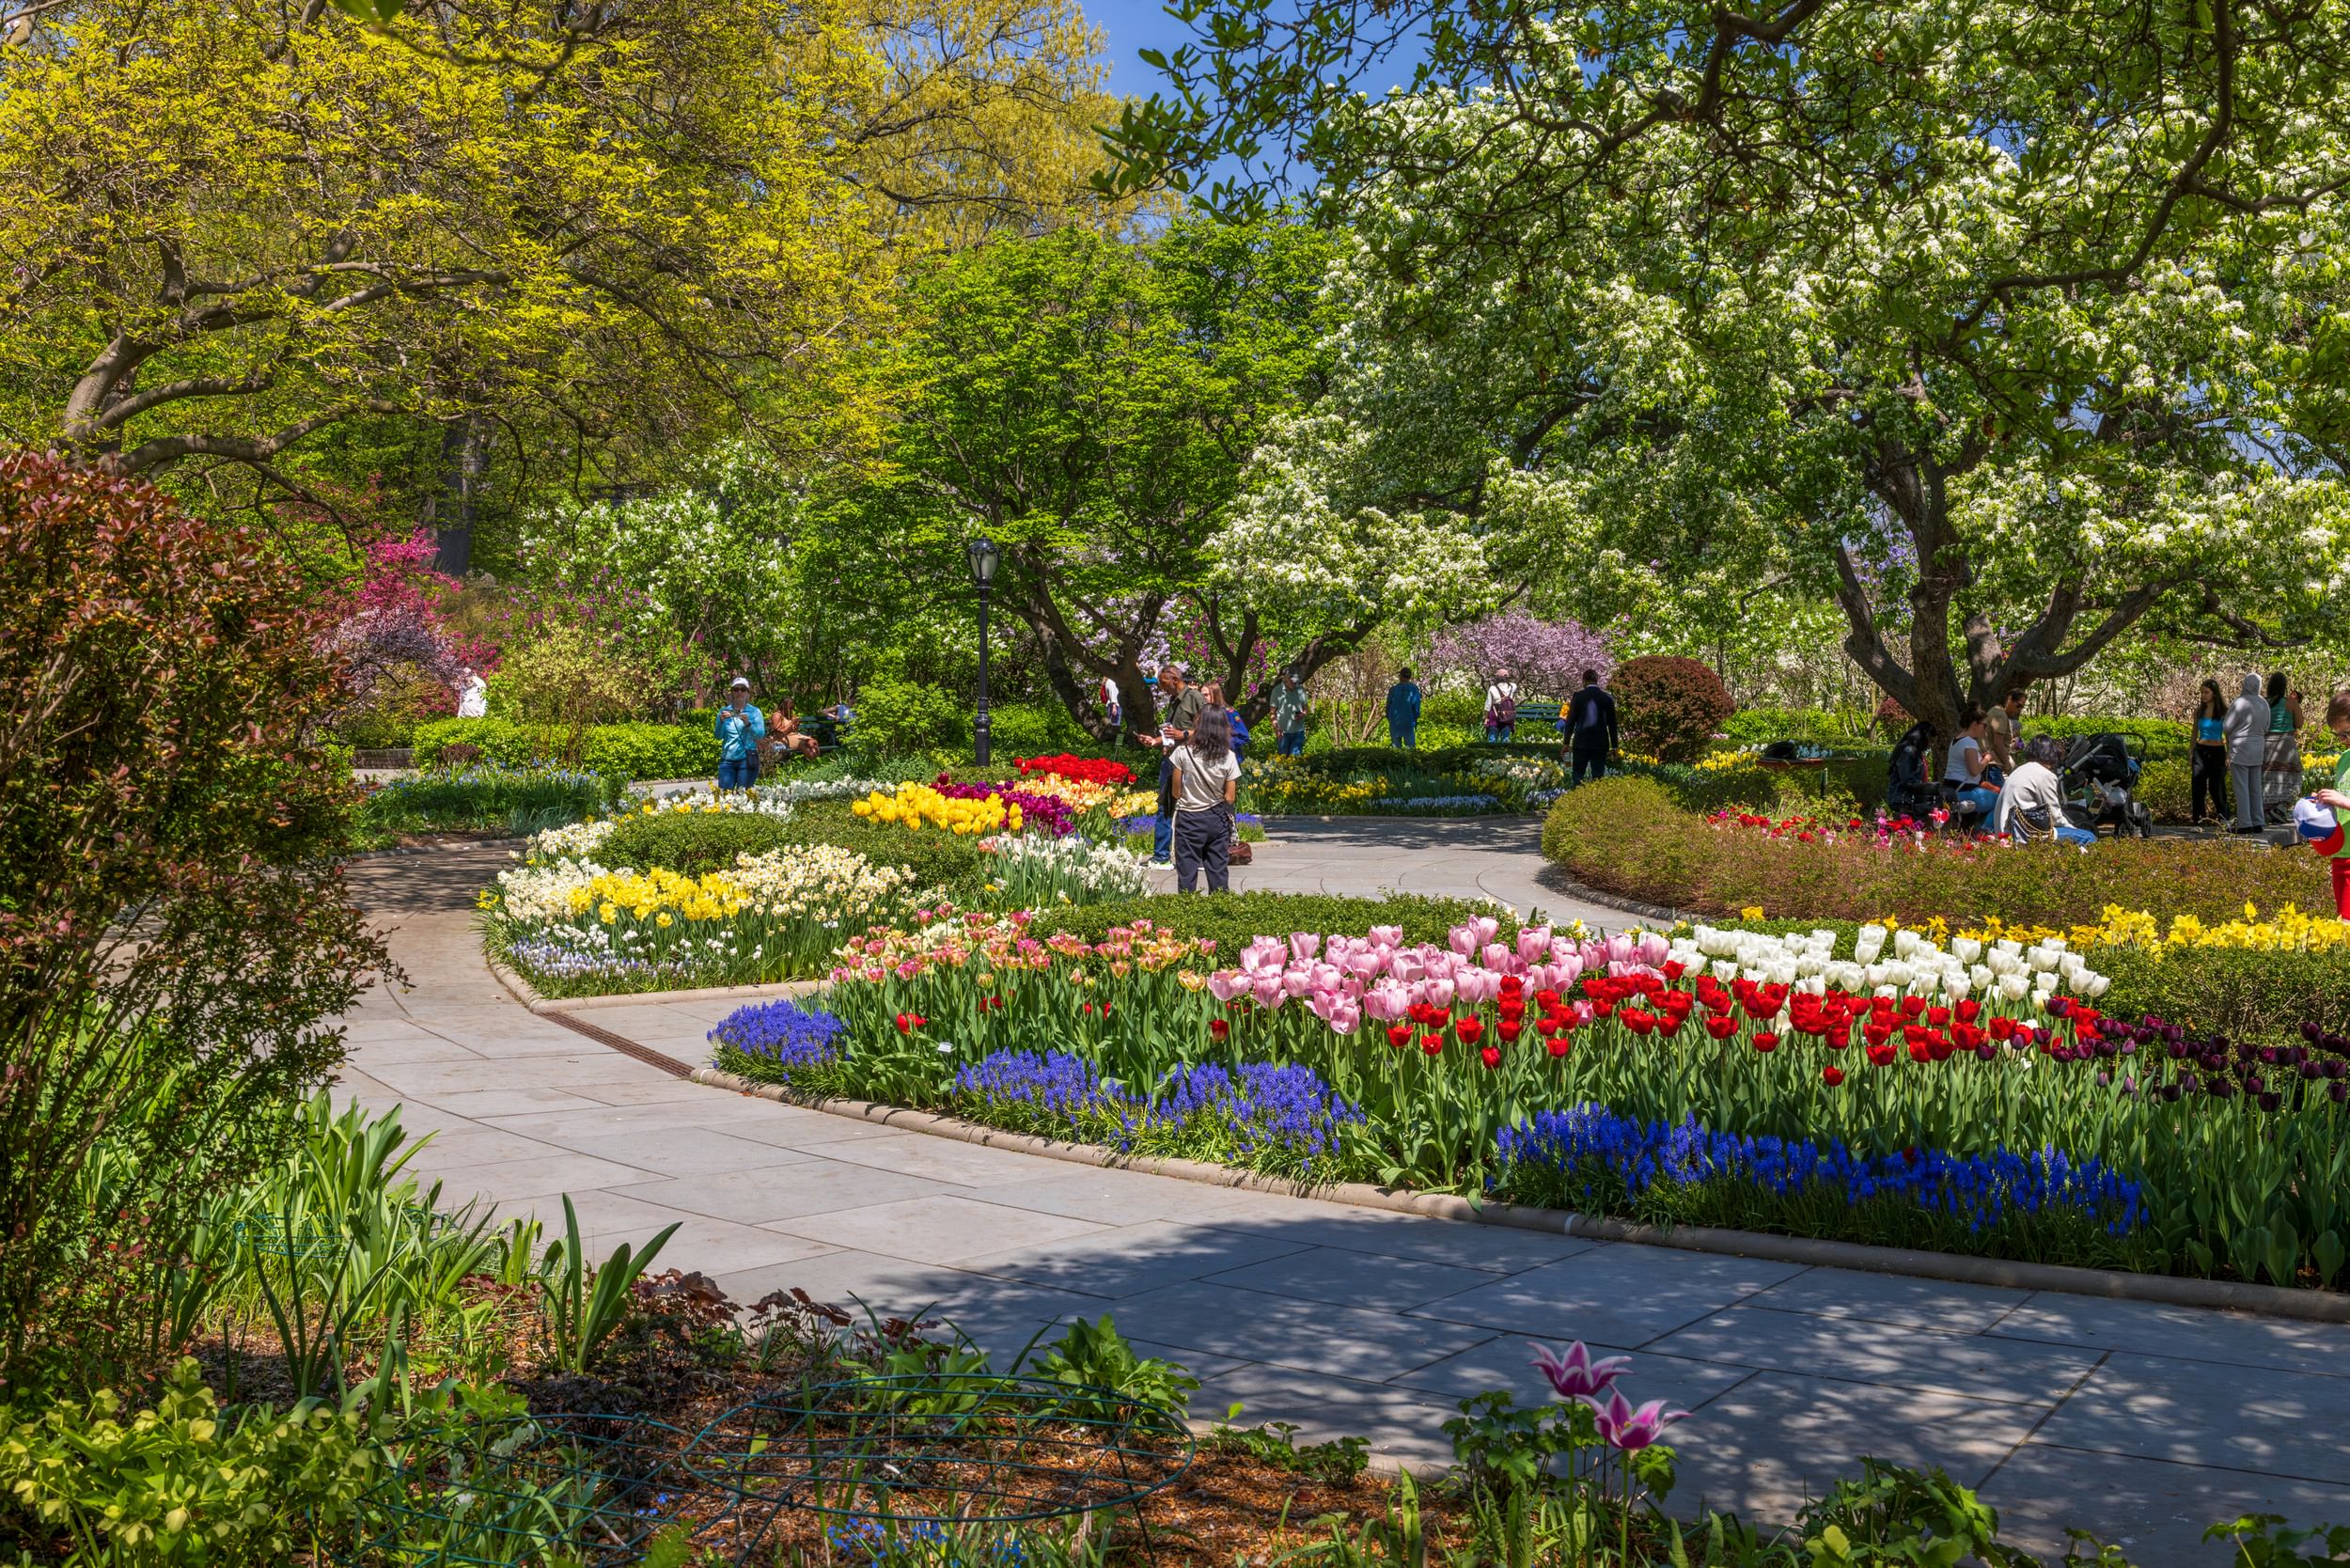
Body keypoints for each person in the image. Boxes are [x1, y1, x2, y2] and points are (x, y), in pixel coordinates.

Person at [1168, 708, 1242, 894]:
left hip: (1189, 819)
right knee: (1218, 872)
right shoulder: (1229, 756)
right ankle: (1219, 913)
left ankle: (1186, 913)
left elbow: (1175, 792)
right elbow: (1230, 797)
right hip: (1216, 818)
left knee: (1187, 873)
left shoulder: (1182, 752)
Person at [1148, 664, 1203, 867]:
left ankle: (1194, 857)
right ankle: (1161, 856)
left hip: (1189, 760)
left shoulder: (1195, 698)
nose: (1162, 688)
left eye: (1163, 683)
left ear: (1175, 679)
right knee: (1165, 807)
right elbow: (1173, 732)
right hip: (1171, 758)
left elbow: (1210, 727)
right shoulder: (1174, 701)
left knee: (1191, 808)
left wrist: (1184, 734)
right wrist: (1156, 740)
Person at [1997, 735, 2096, 845]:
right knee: (2088, 837)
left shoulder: (2019, 770)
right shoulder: (2045, 775)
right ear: (2053, 754)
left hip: (2005, 833)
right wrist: (2073, 829)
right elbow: (2055, 816)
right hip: (2023, 834)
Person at [2306, 691, 2350, 919]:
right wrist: (2324, 804)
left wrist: (2343, 801)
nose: (2345, 740)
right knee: (2344, 922)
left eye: (2348, 733)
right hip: (2342, 853)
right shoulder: (2345, 758)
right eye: (2339, 735)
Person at [1557, 668, 1619, 787]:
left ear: (1584, 681)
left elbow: (1570, 721)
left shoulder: (1578, 697)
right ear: (1597, 680)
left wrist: (1566, 743)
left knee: (1578, 775)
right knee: (1598, 777)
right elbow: (1612, 724)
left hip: (1581, 742)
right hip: (1600, 743)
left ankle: (1577, 799)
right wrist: (1615, 746)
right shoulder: (1607, 698)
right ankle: (1595, 801)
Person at [2224, 673, 2268, 834]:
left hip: (2240, 748)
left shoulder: (2239, 702)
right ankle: (2258, 821)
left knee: (2241, 787)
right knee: (2255, 787)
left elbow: (2227, 726)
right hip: (2258, 748)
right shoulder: (2264, 703)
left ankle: (2244, 823)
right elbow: (2267, 726)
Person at [1942, 705, 2000, 828]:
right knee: (2001, 802)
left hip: (1952, 792)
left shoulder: (1955, 741)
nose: (1985, 730)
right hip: (1966, 793)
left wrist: (1982, 759)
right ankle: (1985, 832)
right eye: (1984, 726)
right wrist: (1987, 759)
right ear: (1975, 724)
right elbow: (1974, 771)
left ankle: (1976, 831)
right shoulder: (1970, 742)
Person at [2264, 671, 2305, 826]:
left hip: (2266, 742)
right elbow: (2299, 723)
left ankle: (2268, 811)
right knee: (2294, 775)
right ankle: (2281, 808)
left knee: (2267, 777)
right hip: (2285, 742)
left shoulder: (2264, 702)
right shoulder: (2290, 702)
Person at [2189, 678, 2232, 824]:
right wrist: (2191, 752)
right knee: (2197, 785)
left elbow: (2228, 735)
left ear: (2214, 693)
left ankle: (2224, 817)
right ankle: (2198, 819)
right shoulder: (2199, 711)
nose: (2203, 695)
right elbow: (2194, 732)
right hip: (2200, 750)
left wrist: (2228, 755)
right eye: (2201, 692)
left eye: (2206, 692)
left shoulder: (2224, 712)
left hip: (2218, 751)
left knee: (2216, 787)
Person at [714, 677, 765, 791]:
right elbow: (718, 736)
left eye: (743, 689)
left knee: (743, 797)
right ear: (732, 692)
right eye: (736, 689)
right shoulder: (724, 711)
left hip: (746, 760)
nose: (739, 692)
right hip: (727, 760)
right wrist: (721, 722)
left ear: (748, 693)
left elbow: (760, 735)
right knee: (725, 797)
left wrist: (748, 724)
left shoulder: (755, 712)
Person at [1886, 720, 1940, 820]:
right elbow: (1907, 780)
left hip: (1909, 798)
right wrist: (1928, 787)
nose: (1930, 745)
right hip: (1902, 799)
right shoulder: (1909, 752)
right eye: (1931, 741)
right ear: (1924, 738)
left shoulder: (1916, 753)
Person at [1985, 686, 2026, 774]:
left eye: (2021, 707)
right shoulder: (2000, 715)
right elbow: (1997, 743)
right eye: (2018, 705)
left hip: (1994, 764)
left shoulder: (1998, 712)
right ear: (2009, 699)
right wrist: (2007, 764)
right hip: (1993, 765)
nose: (2019, 710)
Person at [1272, 669, 1310, 757]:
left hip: (1298, 731)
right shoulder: (1277, 691)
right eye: (1292, 681)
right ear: (1286, 679)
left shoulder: (1300, 689)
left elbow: (1306, 709)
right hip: (1283, 732)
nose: (1295, 684)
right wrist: (1276, 728)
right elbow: (1272, 713)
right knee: (1282, 760)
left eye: (1296, 682)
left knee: (1295, 760)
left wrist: (1303, 714)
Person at [1386, 668, 1422, 749]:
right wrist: (1416, 717)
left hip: (1395, 721)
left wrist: (1389, 717)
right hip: (1408, 720)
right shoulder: (1414, 689)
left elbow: (1388, 706)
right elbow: (1416, 705)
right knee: (1410, 747)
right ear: (1410, 677)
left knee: (1396, 747)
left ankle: (1396, 761)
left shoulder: (1393, 690)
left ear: (1400, 676)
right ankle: (1409, 761)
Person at [1484, 667, 1519, 744]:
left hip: (1494, 716)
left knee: (1492, 739)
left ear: (1497, 678)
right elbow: (1514, 683)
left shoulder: (1492, 688)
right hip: (1507, 716)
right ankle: (1505, 755)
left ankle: (1493, 754)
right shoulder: (1513, 687)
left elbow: (1488, 706)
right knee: (1506, 739)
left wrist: (1486, 717)